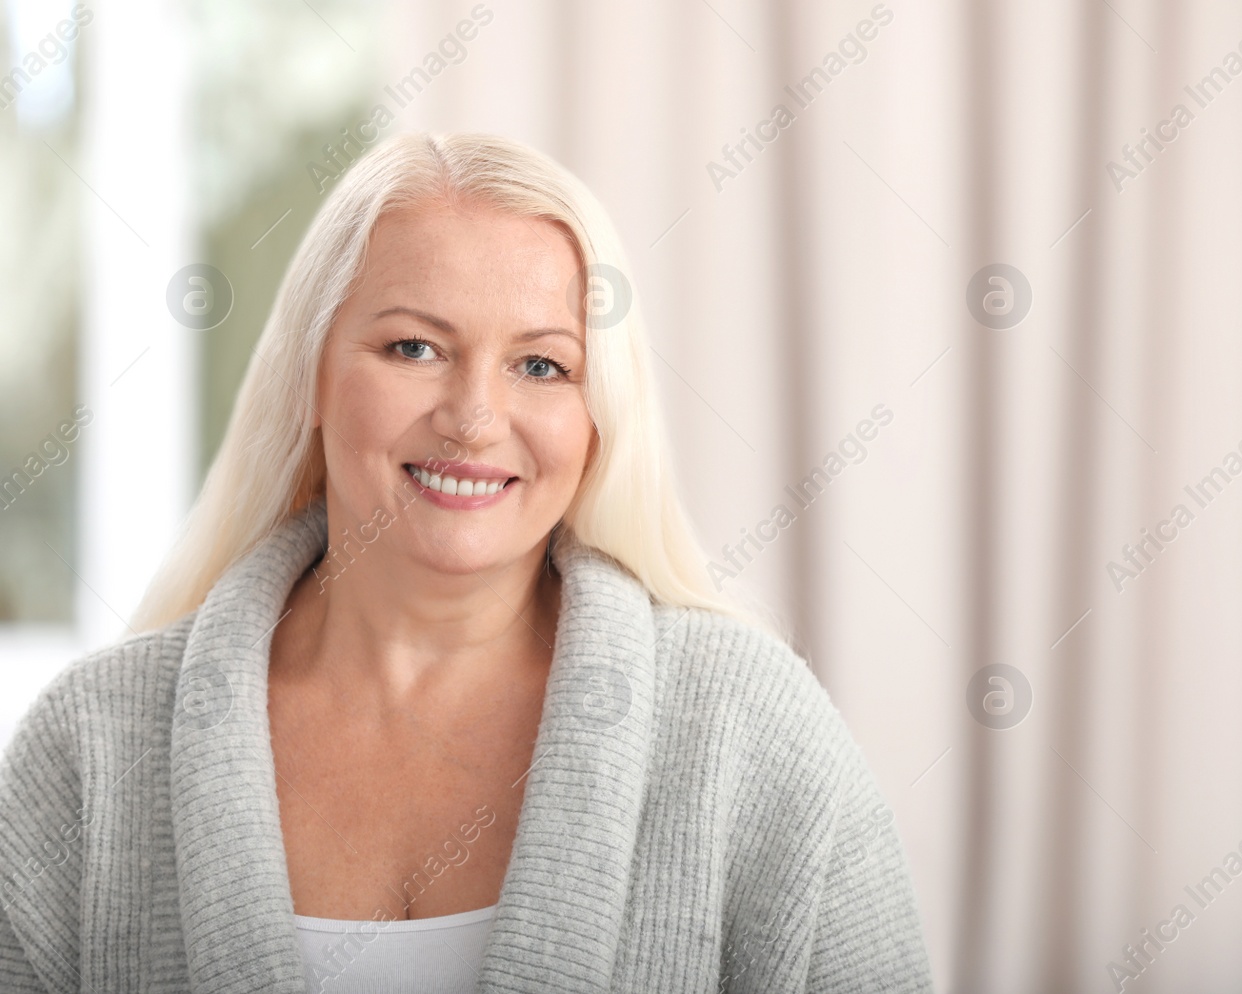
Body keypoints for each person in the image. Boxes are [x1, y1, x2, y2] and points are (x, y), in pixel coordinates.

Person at [0, 132, 933, 993]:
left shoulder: (753, 731)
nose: (475, 419)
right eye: (415, 347)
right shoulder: (91, 749)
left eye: (541, 366)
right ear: (313, 379)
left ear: (599, 415)